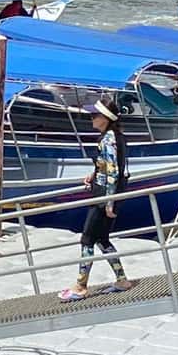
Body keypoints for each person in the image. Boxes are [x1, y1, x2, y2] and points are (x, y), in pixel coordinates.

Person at [58, 98, 133, 301]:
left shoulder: (108, 139)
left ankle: (80, 286)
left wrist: (109, 202)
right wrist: (94, 173)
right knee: (102, 239)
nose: (91, 118)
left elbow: (114, 172)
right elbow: (109, 165)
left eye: (95, 115)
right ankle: (122, 279)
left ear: (106, 118)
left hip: (103, 197)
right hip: (107, 193)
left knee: (87, 239)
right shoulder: (115, 136)